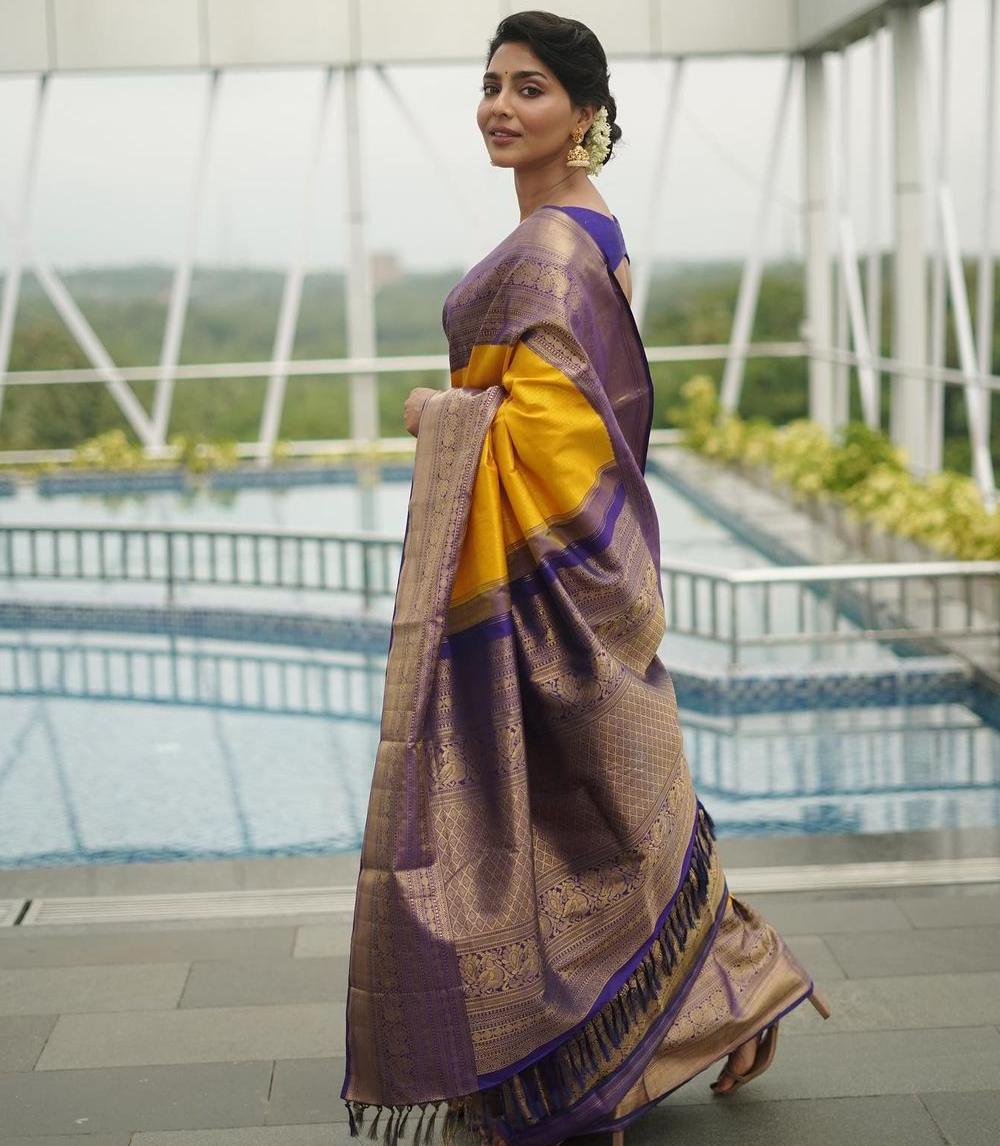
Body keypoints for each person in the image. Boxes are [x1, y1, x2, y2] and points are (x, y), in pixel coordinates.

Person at [341, 11, 830, 1146]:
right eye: (491, 84)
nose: (501, 107)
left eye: (532, 89)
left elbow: (559, 443)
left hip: (558, 574)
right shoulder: (571, 230)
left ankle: (639, 1033)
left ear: (585, 114)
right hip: (558, 568)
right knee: (586, 813)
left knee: (599, 814)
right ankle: (602, 1049)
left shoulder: (558, 242)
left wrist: (439, 417)